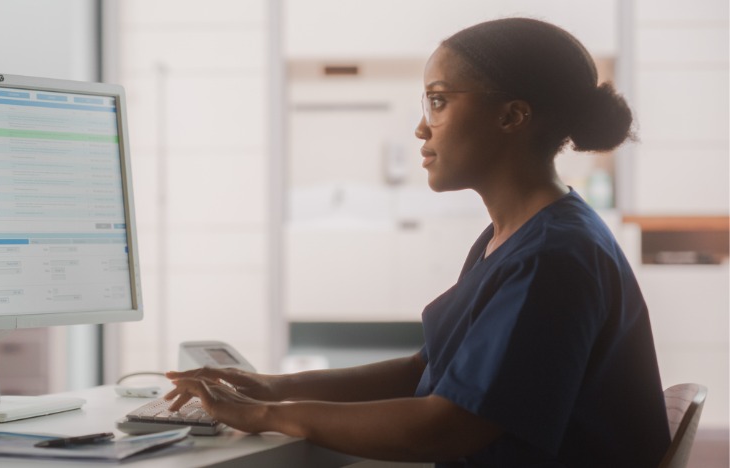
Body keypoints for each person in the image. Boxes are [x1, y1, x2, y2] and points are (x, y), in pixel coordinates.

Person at [164, 17, 670, 467]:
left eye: (439, 100)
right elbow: (422, 370)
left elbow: (447, 426)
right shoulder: (514, 236)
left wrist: (271, 415)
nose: (421, 127)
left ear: (513, 116)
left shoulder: (553, 257)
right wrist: (273, 386)